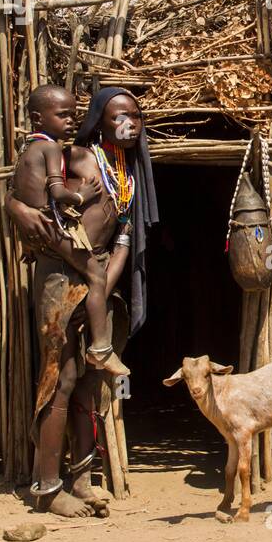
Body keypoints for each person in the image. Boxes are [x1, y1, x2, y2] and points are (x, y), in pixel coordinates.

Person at [8, 86, 159, 517]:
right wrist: (15, 204)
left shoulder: (129, 175)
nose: (129, 124)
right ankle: (47, 488)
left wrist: (101, 281)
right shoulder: (78, 154)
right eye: (118, 117)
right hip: (59, 274)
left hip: (96, 280)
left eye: (135, 115)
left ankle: (81, 479)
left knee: (89, 383)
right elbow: (26, 177)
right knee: (61, 379)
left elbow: (122, 240)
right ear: (99, 121)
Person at [11, 85, 128, 377]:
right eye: (63, 115)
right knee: (96, 274)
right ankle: (101, 348)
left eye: (74, 115)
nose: (71, 121)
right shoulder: (51, 148)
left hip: (46, 226)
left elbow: (18, 189)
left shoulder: (29, 148)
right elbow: (56, 190)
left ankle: (98, 346)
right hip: (53, 226)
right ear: (38, 118)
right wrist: (82, 196)